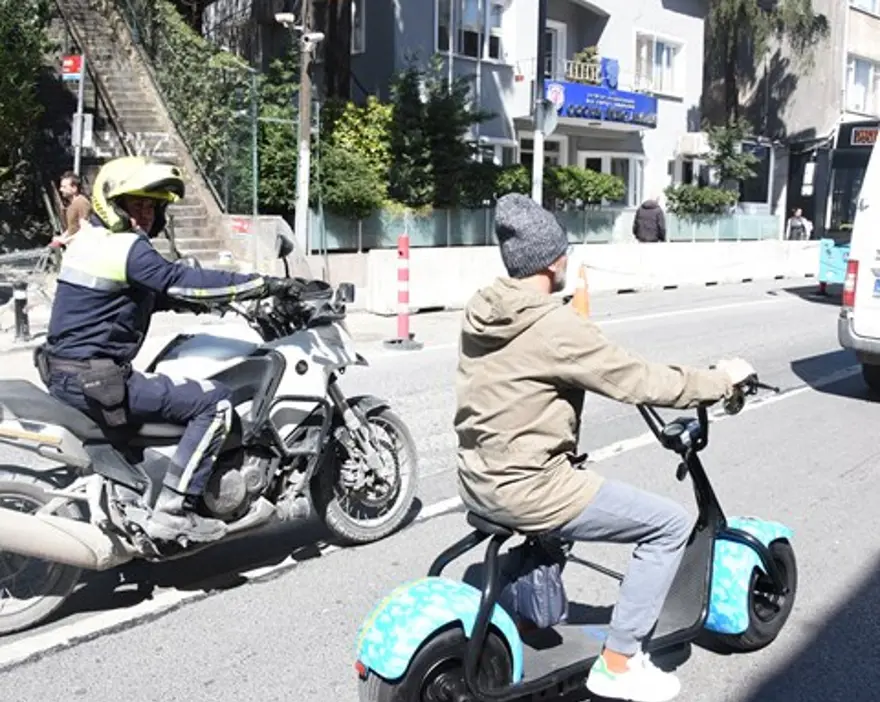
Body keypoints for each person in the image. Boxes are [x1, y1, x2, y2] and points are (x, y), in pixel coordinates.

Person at [454, 193, 756, 702]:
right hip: (528, 489)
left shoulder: (482, 309)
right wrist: (720, 381)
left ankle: (523, 616)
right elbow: (638, 380)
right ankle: (620, 662)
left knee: (572, 495)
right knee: (669, 524)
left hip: (477, 476)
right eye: (565, 252)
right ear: (553, 261)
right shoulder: (553, 325)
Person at [42, 156, 305, 546]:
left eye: (152, 207)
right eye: (137, 204)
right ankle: (174, 512)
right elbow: (175, 278)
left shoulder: (91, 241)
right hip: (93, 377)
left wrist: (205, 304)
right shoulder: (126, 247)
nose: (146, 214)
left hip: (68, 372)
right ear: (113, 204)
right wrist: (262, 285)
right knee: (215, 403)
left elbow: (142, 295)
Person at [54, 171, 91, 247]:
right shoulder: (72, 205)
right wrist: (62, 237)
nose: (61, 189)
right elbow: (73, 227)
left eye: (64, 187)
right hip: (76, 246)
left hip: (84, 247)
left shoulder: (81, 202)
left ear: (74, 188)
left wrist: (65, 240)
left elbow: (85, 230)